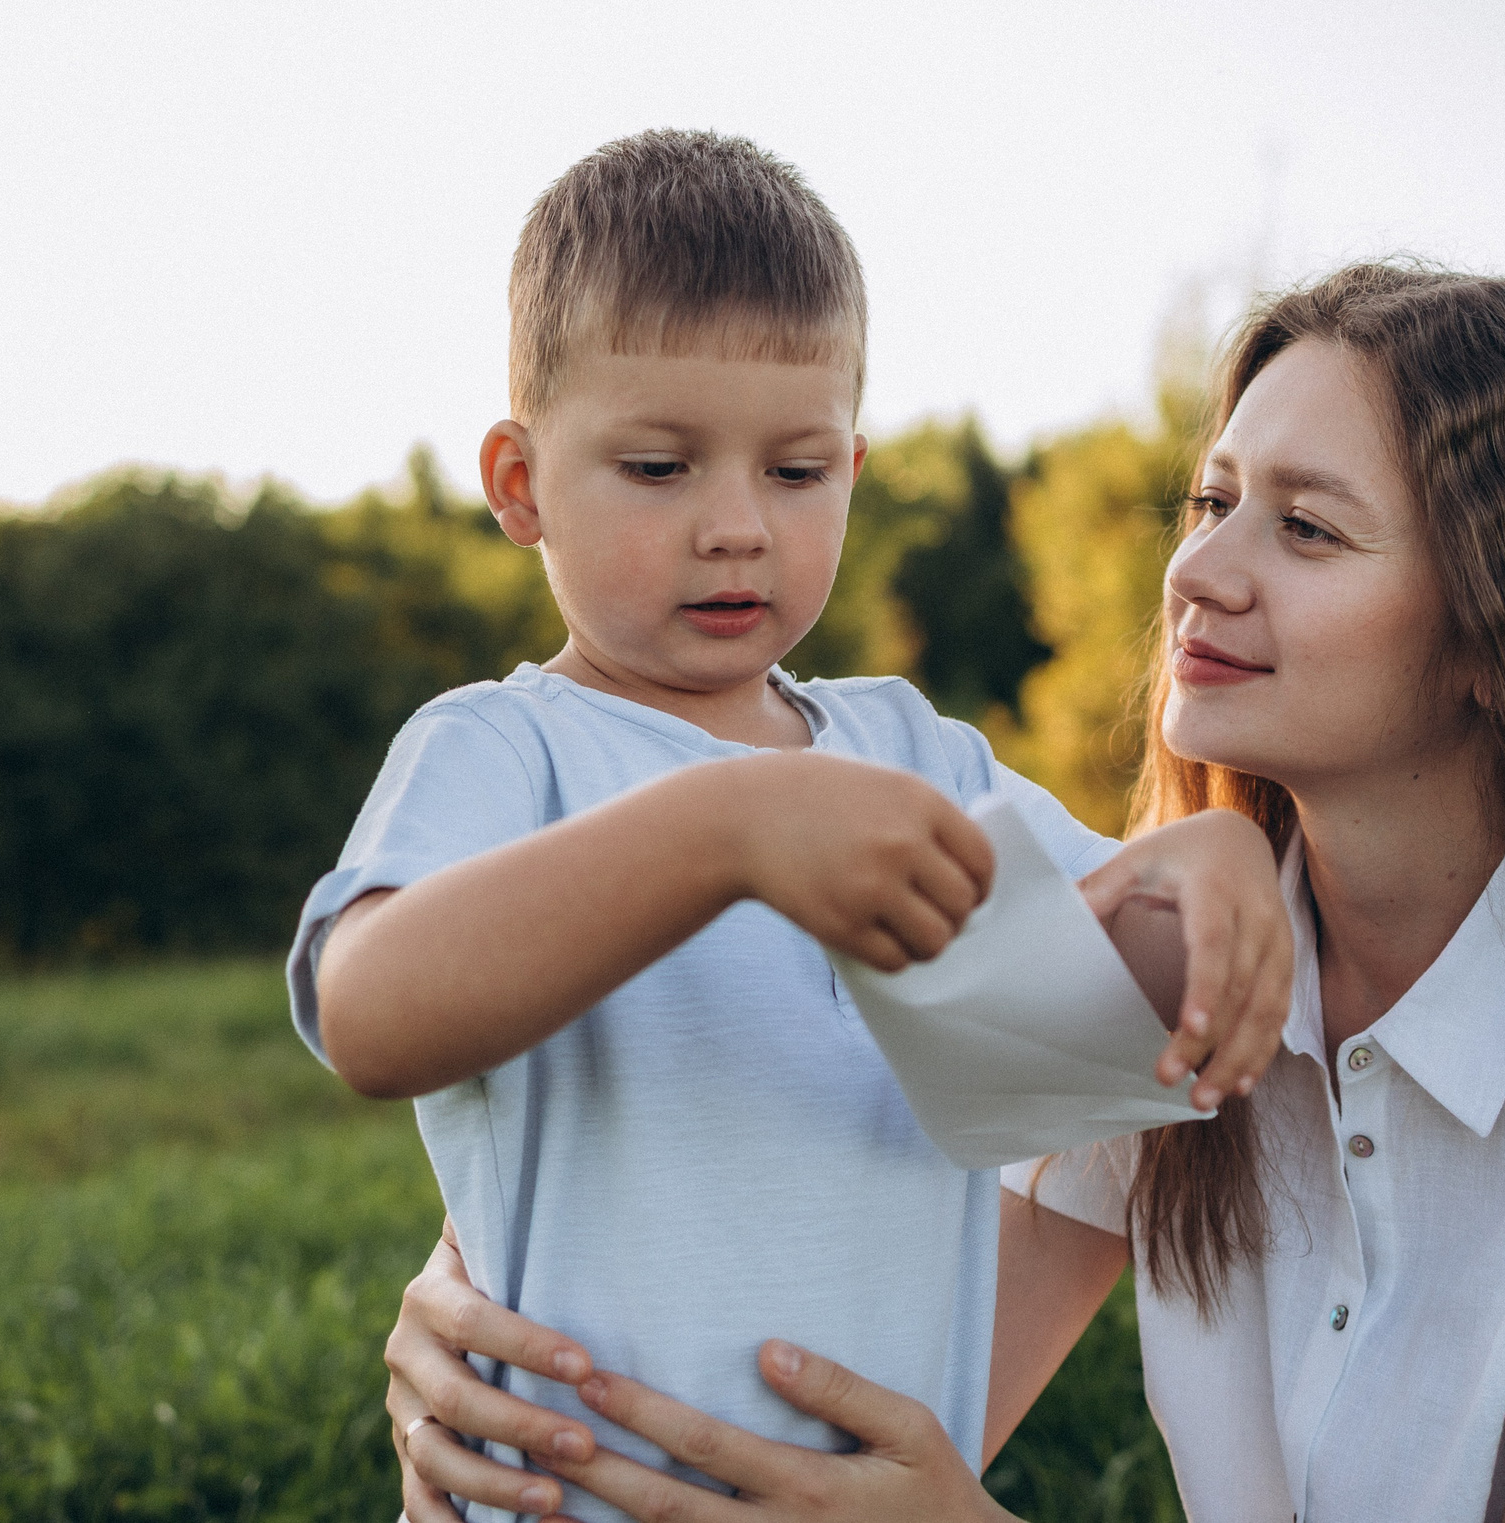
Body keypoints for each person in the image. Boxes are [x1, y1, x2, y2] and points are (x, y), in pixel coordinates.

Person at [380, 263, 1505, 1522]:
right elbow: (860, 1397)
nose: (1203, 573)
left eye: (1305, 528)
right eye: (1212, 501)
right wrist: (496, 1332)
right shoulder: (1180, 979)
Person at [286, 128, 1295, 1523]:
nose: (736, 528)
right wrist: (725, 830)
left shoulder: (913, 749)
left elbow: (1125, 957)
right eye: (658, 468)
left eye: (796, 471)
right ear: (519, 485)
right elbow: (369, 1019)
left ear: (855, 471)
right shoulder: (503, 747)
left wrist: (1219, 857)